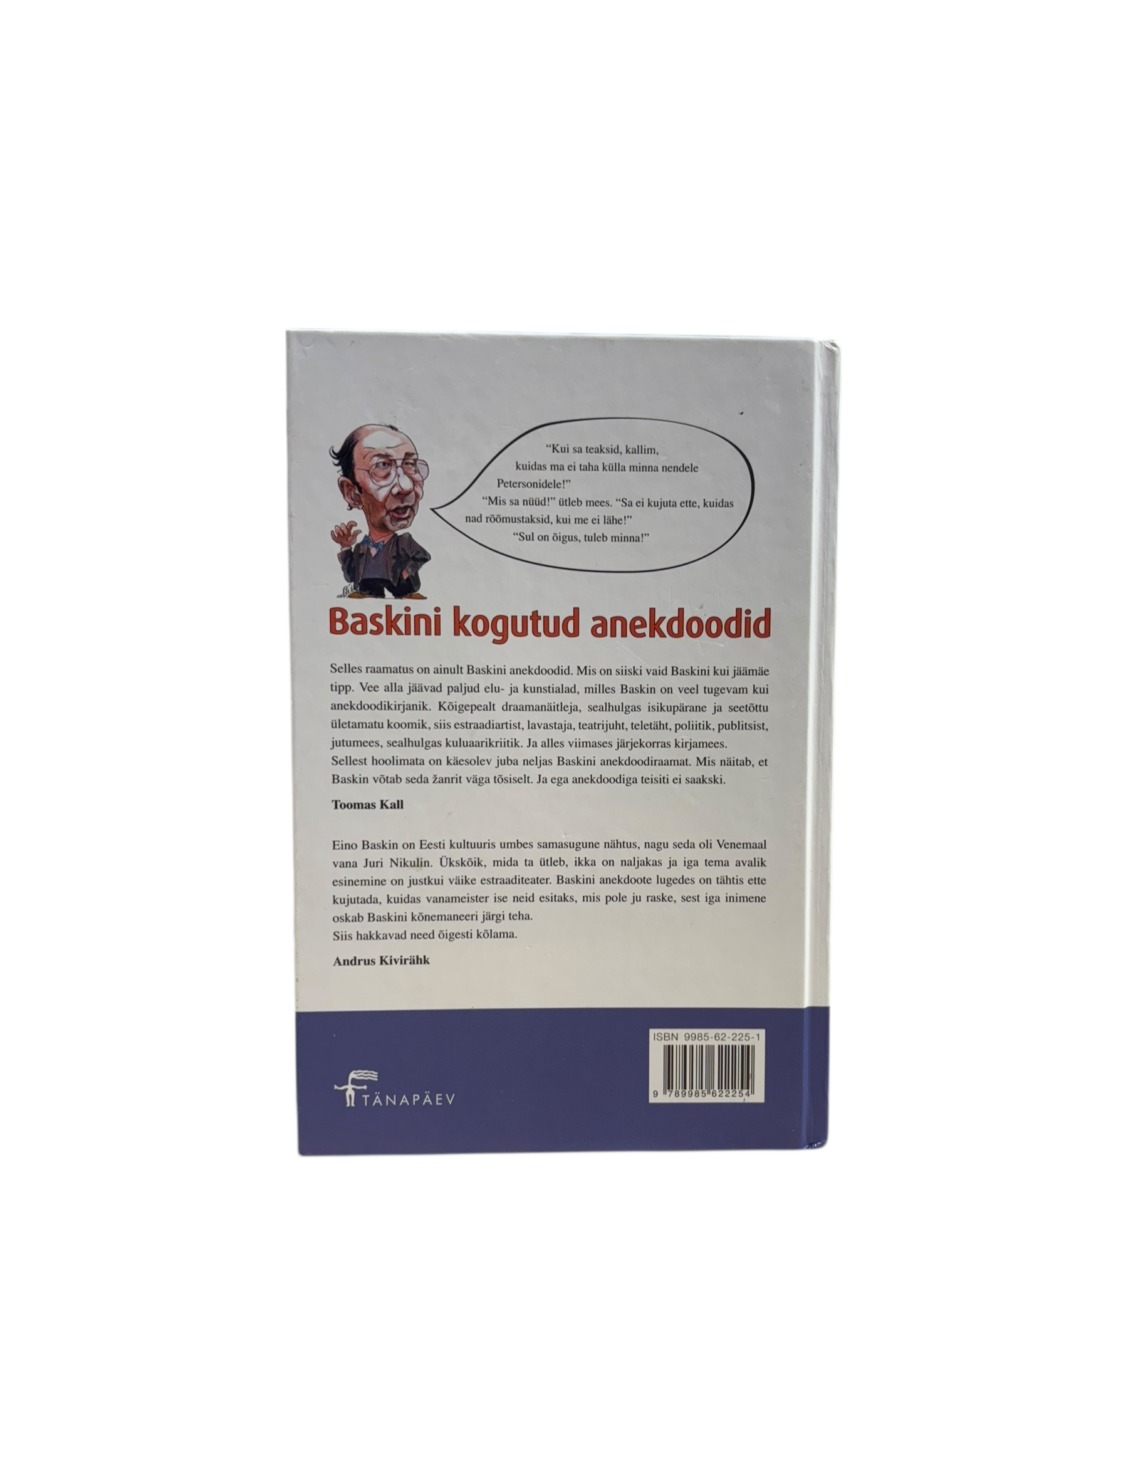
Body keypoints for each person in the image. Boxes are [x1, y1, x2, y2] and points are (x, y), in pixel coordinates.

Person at [330, 424, 432, 598]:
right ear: (352, 493)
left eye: (410, 465)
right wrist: (345, 546)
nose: (406, 486)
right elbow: (350, 575)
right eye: (382, 465)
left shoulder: (404, 543)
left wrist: (407, 572)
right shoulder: (361, 548)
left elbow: (422, 556)